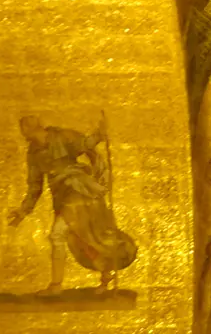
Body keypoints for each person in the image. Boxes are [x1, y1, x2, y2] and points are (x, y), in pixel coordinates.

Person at [7, 116, 138, 293]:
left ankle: (56, 286)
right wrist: (23, 211)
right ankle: (106, 277)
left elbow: (84, 144)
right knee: (85, 238)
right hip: (61, 196)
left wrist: (99, 135)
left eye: (26, 126)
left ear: (35, 126)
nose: (24, 130)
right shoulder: (34, 153)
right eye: (22, 127)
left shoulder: (62, 137)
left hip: (79, 190)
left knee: (59, 234)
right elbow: (35, 186)